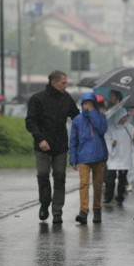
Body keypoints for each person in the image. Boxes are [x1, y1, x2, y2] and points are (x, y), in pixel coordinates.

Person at [25, 70, 80, 224]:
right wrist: (40, 138)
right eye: (63, 82)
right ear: (53, 82)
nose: (66, 85)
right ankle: (44, 203)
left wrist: (89, 116)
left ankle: (57, 211)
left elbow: (75, 115)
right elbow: (30, 122)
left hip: (60, 144)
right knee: (43, 174)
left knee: (60, 176)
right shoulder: (37, 98)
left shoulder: (66, 97)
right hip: (42, 144)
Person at [69, 92, 109, 224]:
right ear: (82, 104)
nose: (88, 106)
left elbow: (102, 130)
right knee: (84, 183)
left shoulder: (101, 117)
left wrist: (92, 113)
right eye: (85, 103)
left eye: (90, 103)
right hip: (83, 156)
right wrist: (73, 158)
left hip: (99, 155)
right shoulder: (77, 120)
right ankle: (83, 211)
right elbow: (73, 140)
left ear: (94, 104)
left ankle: (97, 209)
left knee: (97, 184)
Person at [103, 107, 134, 206]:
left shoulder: (128, 128)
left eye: (125, 117)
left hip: (124, 157)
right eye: (123, 117)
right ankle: (108, 196)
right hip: (113, 158)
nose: (124, 119)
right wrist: (111, 143)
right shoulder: (110, 128)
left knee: (122, 179)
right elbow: (106, 139)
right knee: (110, 179)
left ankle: (120, 197)